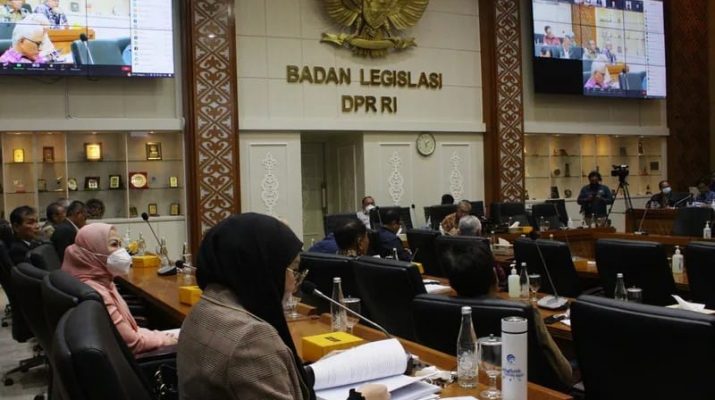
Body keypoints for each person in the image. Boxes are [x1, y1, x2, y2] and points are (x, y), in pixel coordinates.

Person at [177, 213, 313, 399]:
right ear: (262, 267)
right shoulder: (252, 338)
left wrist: (306, 373)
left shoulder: (205, 308)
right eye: (293, 271)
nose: (294, 284)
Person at [443, 245, 574, 388]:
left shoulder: (439, 309)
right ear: (495, 275)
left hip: (473, 386)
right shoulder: (523, 314)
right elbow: (565, 374)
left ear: (451, 283)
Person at [62, 223, 177, 354]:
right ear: (92, 250)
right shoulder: (97, 292)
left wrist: (157, 334)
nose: (121, 251)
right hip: (136, 361)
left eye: (120, 244)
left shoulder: (100, 279)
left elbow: (131, 332)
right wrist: (166, 339)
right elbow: (134, 343)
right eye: (114, 244)